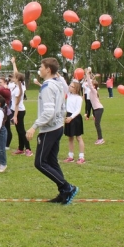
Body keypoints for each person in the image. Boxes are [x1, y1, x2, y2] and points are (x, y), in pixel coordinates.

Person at [26, 57, 79, 205]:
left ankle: (67, 187)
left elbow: (48, 112)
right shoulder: (57, 84)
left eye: (41, 67)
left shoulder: (48, 87)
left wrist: (34, 126)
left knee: (40, 163)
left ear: (48, 69)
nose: (40, 69)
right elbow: (63, 106)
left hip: (49, 129)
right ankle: (64, 193)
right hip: (57, 127)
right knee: (51, 161)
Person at [10, 58, 32, 156]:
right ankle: (20, 148)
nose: (13, 77)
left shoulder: (19, 89)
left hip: (19, 111)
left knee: (22, 130)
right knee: (19, 130)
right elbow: (16, 72)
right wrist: (13, 63)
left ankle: (28, 149)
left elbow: (17, 104)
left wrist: (15, 116)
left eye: (14, 77)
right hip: (16, 111)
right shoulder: (19, 84)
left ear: (18, 79)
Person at [64, 81, 86, 164]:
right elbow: (63, 82)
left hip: (75, 118)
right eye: (70, 85)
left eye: (72, 86)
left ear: (76, 89)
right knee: (70, 137)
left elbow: (78, 110)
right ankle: (70, 156)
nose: (69, 87)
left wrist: (71, 117)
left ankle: (81, 157)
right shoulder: (69, 95)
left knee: (78, 137)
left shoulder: (79, 98)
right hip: (68, 116)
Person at [85, 69, 105, 145]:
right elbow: (89, 83)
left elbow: (89, 84)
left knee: (97, 123)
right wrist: (91, 76)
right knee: (96, 123)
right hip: (97, 109)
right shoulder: (93, 91)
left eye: (92, 84)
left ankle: (101, 139)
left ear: (94, 86)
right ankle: (100, 138)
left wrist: (87, 74)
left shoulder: (94, 91)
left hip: (99, 109)